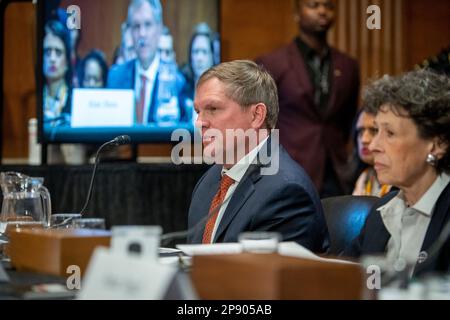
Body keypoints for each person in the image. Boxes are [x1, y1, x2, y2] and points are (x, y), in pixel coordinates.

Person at [187, 60, 329, 253]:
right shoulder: (209, 181)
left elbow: (267, 279)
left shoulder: (286, 191)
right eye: (197, 111)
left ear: (256, 115)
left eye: (213, 109)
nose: (199, 122)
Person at [343, 69, 450, 277]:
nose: (373, 145)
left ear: (437, 144)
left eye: (389, 133)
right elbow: (345, 281)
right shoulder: (381, 210)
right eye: (377, 131)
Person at [257, 0, 360, 198]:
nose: (322, 11)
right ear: (297, 13)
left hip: (336, 172)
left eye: (329, 6)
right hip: (288, 170)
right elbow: (260, 121)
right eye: (314, 5)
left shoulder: (348, 66)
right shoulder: (273, 62)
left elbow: (348, 120)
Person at [107, 0, 188, 125]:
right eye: (136, 26)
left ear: (159, 28)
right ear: (130, 31)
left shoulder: (176, 81)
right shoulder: (116, 77)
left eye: (148, 24)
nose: (142, 34)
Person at [352, 110, 391, 197]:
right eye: (361, 131)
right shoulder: (363, 177)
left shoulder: (402, 181)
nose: (364, 140)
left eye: (374, 130)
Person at [43, 19, 72, 126]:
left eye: (58, 52)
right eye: (47, 52)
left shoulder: (75, 101)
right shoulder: (34, 98)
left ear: (67, 62)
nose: (52, 59)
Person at [181, 22, 216, 102]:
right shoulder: (182, 91)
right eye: (196, 52)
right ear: (190, 56)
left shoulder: (222, 93)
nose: (199, 58)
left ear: (212, 56)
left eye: (204, 52)